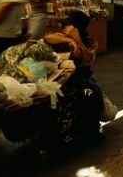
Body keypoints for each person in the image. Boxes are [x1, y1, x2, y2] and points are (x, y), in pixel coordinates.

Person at [44, 9, 105, 146]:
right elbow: (47, 38)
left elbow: (87, 59)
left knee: (87, 95)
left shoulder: (90, 42)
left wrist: (77, 40)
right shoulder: (62, 38)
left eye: (68, 25)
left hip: (80, 80)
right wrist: (70, 40)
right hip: (59, 78)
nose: (64, 28)